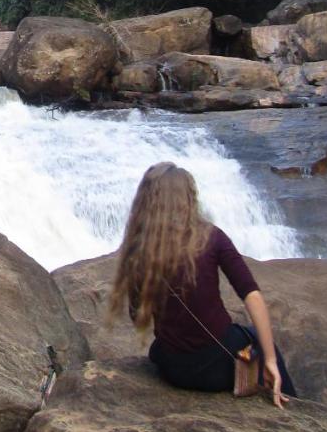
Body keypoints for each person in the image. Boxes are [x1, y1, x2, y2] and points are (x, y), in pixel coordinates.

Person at [107, 161, 296, 408]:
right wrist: (269, 359)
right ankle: (290, 403)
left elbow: (136, 315)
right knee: (254, 336)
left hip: (174, 370)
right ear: (189, 198)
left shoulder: (139, 250)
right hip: (217, 369)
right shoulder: (212, 237)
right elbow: (251, 295)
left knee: (159, 348)